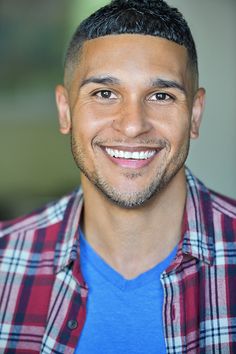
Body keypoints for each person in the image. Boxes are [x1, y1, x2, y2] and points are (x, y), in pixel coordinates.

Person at [0, 0, 236, 352]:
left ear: (195, 114)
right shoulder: (5, 259)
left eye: (160, 95)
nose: (132, 125)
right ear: (65, 111)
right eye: (105, 94)